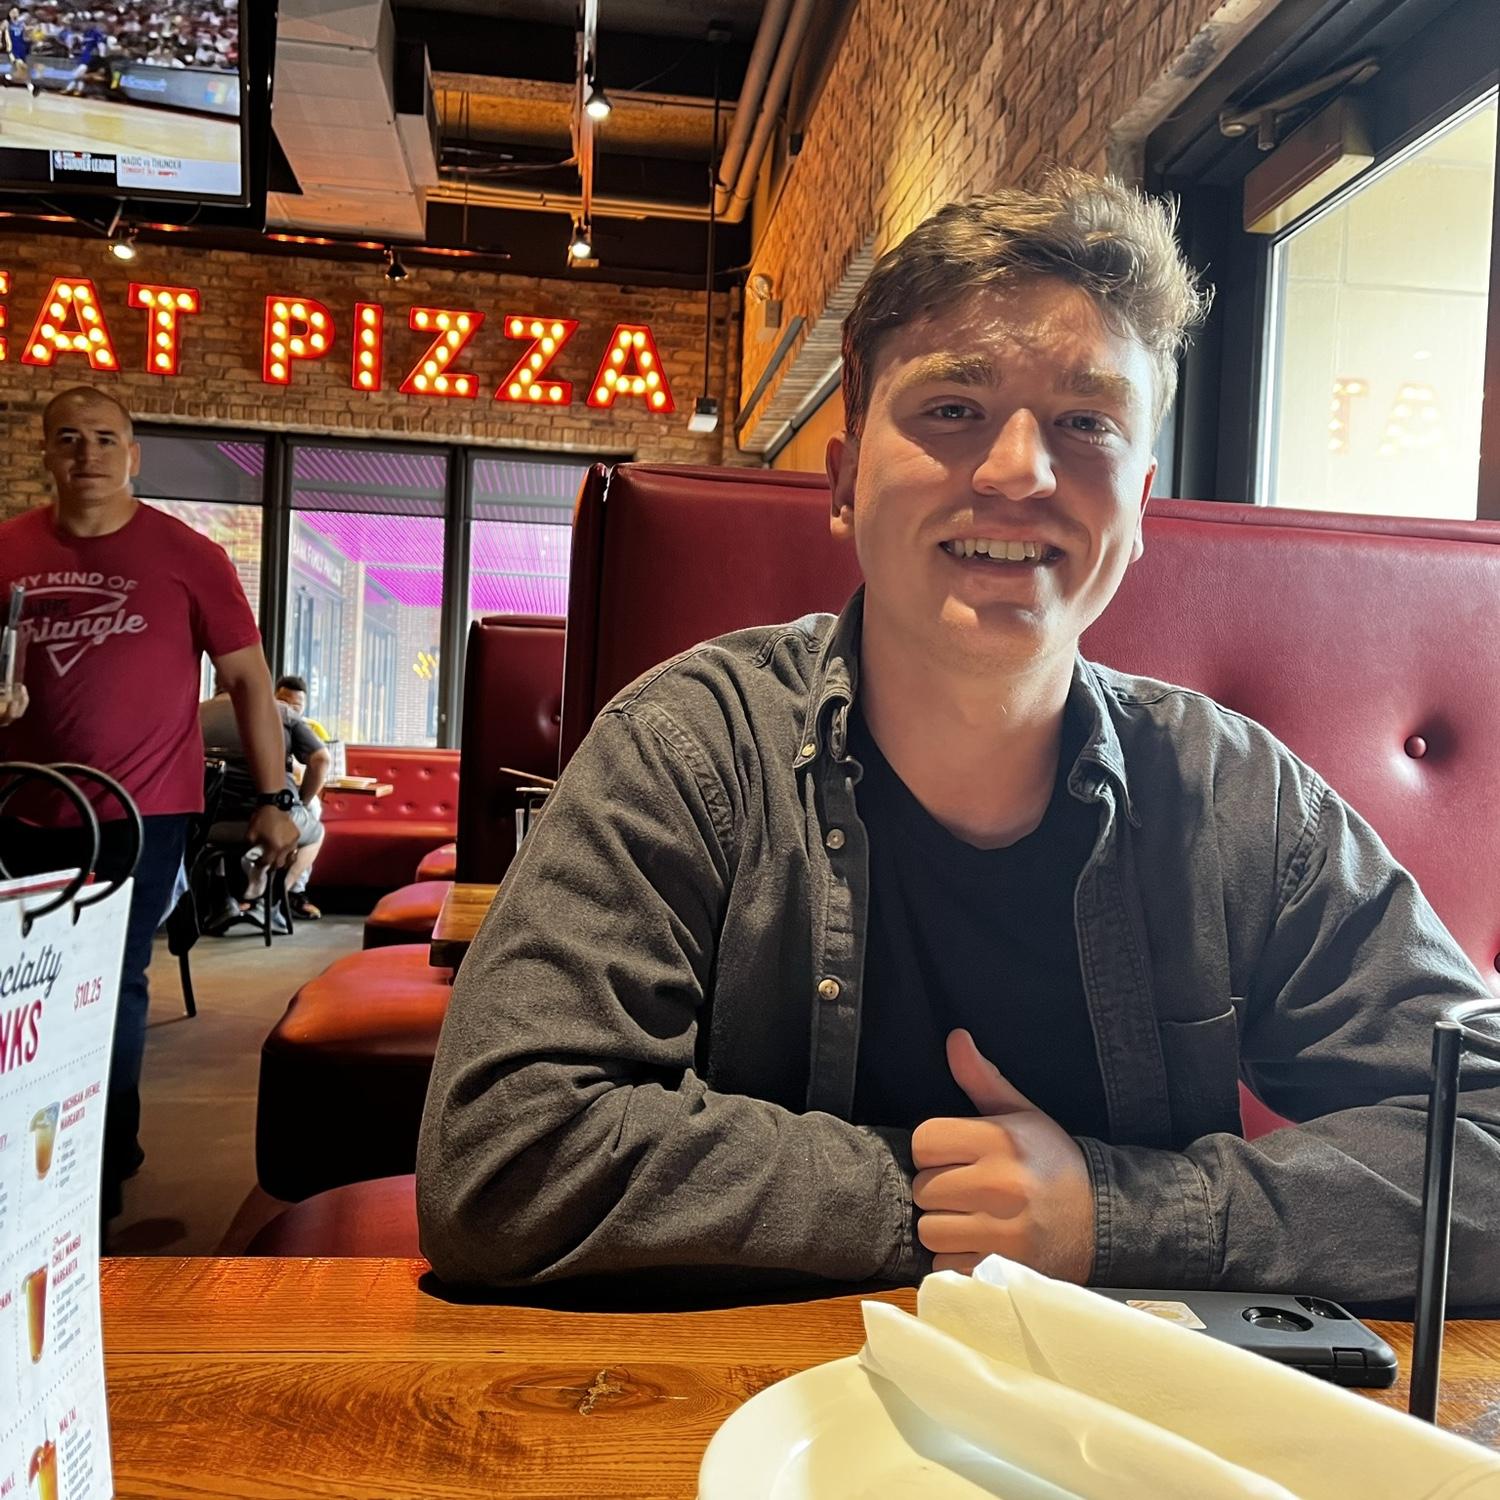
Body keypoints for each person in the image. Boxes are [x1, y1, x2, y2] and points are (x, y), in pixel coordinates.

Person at [416, 171, 1500, 1305]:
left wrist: (1113, 1216)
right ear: (845, 483)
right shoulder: (690, 752)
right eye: (951, 408)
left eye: (1085, 422)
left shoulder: (1239, 803)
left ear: (1139, 506)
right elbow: (502, 1153)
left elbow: (1485, 1135)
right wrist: (943, 1208)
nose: (1018, 470)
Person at [0, 385, 299, 1223]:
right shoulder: (9, 551)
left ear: (132, 455)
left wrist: (274, 798)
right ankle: (34, 1149)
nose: (86, 453)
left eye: (104, 438)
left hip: (143, 811)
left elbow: (249, 682)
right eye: (69, 437)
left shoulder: (189, 556)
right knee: (22, 988)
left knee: (107, 979)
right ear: (47, 453)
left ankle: (94, 1167)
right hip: (20, 807)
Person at [201, 677, 328, 924]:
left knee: (207, 845)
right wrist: (302, 802)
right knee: (316, 832)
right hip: (270, 820)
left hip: (212, 825)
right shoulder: (281, 712)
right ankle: (270, 901)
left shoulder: (197, 714)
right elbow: (321, 759)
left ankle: (222, 901)